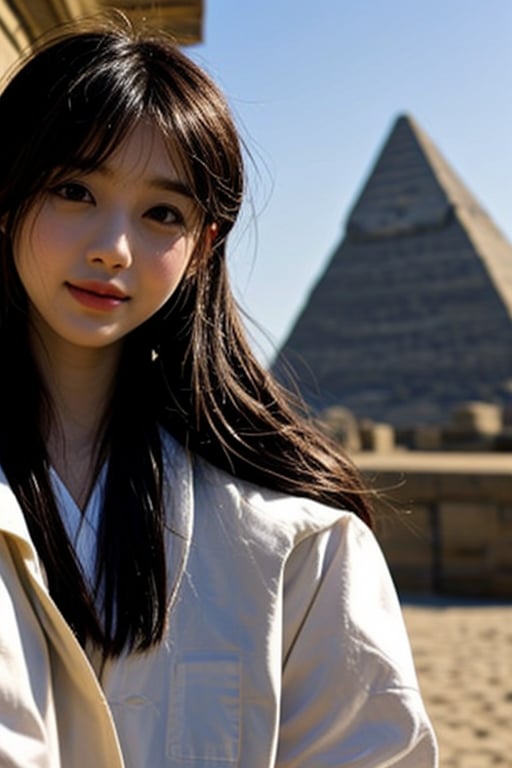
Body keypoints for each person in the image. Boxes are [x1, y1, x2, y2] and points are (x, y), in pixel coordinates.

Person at [0, 15, 438, 768]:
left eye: (162, 213)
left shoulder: (300, 540)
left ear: (203, 246)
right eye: (74, 189)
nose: (114, 245)